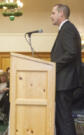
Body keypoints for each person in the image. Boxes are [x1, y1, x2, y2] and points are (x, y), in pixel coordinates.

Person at [50, 4, 83, 135]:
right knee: (61, 119)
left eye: (53, 13)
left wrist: (53, 66)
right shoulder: (65, 29)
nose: (50, 16)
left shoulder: (67, 28)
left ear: (61, 14)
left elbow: (71, 52)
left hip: (65, 82)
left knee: (64, 119)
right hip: (63, 82)